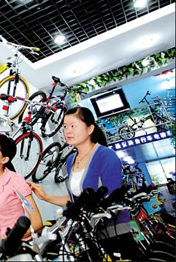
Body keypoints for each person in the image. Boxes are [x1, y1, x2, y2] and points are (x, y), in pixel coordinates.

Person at [27, 106, 140, 259]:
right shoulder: (70, 160)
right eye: (65, 127)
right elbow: (75, 200)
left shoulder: (105, 155)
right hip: (88, 236)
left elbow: (113, 195)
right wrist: (45, 196)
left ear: (89, 129)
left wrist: (89, 210)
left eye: (73, 126)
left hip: (114, 232)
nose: (67, 131)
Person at [0, 134, 43, 240]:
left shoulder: (16, 182)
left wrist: (10, 238)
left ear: (4, 159)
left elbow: (37, 222)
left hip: (18, 243)